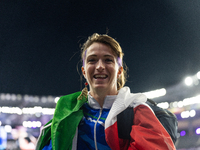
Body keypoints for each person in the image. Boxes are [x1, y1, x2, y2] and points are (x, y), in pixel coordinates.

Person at [36, 33, 176, 150]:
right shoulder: (67, 114)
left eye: (108, 60)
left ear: (119, 70)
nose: (100, 66)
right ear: (84, 71)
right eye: (92, 60)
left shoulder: (137, 111)